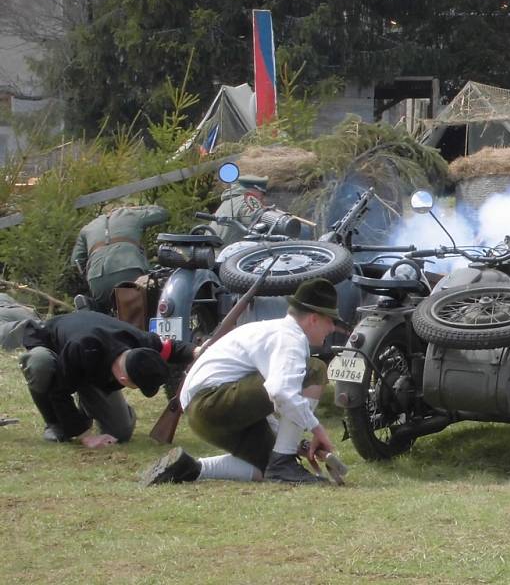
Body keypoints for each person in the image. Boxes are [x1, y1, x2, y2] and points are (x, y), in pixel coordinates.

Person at [141, 277, 340, 486]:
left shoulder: (274, 331)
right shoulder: (290, 339)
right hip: (211, 403)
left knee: (267, 468)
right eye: (331, 320)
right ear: (314, 319)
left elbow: (270, 396)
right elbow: (280, 392)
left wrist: (294, 442)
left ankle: (191, 468)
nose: (333, 328)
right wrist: (317, 429)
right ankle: (284, 462)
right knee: (315, 370)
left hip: (204, 410)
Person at [18, 310, 196, 448]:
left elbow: (171, 348)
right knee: (40, 364)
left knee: (120, 432)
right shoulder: (82, 347)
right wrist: (85, 436)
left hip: (90, 368)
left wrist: (198, 351)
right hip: (57, 350)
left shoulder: (140, 342)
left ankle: (85, 412)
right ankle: (54, 424)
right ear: (123, 378)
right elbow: (59, 392)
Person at [71, 205, 169, 312]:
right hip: (130, 269)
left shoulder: (87, 228)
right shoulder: (130, 214)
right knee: (141, 312)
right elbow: (162, 213)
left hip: (96, 277)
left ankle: (93, 308)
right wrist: (133, 208)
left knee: (105, 311)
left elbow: (76, 262)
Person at [213, 174, 270, 246]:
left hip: (215, 252)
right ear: (254, 190)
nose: (263, 198)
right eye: (262, 194)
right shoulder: (247, 200)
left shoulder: (230, 201)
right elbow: (258, 221)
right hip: (231, 254)